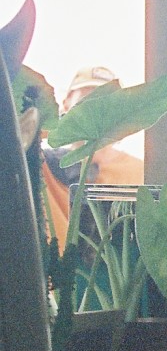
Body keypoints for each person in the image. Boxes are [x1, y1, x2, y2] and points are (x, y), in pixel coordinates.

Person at [41, 66, 144, 251]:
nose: (94, 112)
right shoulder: (42, 164)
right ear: (66, 103)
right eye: (86, 101)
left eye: (106, 105)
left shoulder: (139, 171)